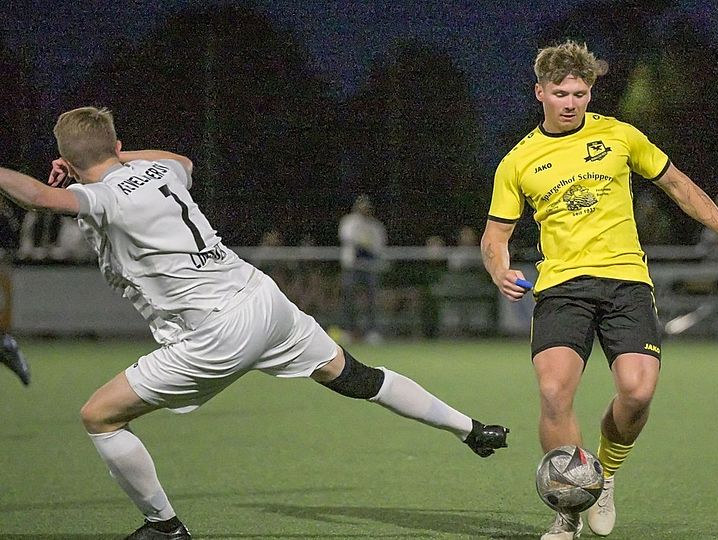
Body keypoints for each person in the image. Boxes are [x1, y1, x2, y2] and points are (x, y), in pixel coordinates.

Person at [0, 106, 508, 540]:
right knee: (356, 377)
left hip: (215, 331)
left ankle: (164, 527)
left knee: (100, 416)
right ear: (119, 144)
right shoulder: (161, 172)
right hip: (263, 299)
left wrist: (84, 168)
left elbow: (40, 198)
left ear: (66, 161)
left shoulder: (104, 196)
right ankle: (472, 429)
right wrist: (115, 157)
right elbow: (181, 160)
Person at [480, 41, 718, 540]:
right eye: (560, 93)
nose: (570, 102)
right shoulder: (517, 162)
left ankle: (602, 476)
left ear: (590, 92)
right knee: (553, 390)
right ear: (540, 92)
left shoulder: (621, 136)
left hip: (627, 280)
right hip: (562, 286)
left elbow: (677, 185)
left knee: (637, 390)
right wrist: (499, 269)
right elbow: (495, 236)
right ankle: (567, 510)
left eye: (580, 93)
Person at [338, 194, 387, 343]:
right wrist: (363, 241)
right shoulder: (349, 222)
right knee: (349, 299)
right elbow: (347, 238)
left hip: (369, 268)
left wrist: (367, 245)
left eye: (367, 207)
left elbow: (378, 246)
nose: (364, 209)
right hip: (352, 267)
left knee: (371, 300)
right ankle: (349, 330)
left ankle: (371, 332)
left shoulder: (376, 226)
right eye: (361, 206)